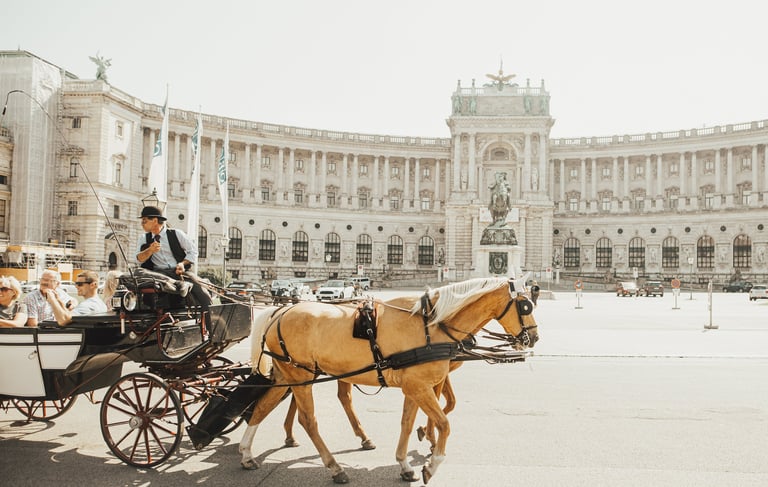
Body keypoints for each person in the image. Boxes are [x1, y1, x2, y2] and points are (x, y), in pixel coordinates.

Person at [135, 206, 211, 309]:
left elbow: (193, 251)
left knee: (202, 293)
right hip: (158, 274)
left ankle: (210, 314)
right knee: (138, 272)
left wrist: (182, 264)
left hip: (179, 272)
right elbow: (138, 259)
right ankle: (178, 284)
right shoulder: (143, 238)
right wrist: (150, 250)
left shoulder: (176, 233)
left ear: (155, 220)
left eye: (144, 220)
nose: (142, 223)